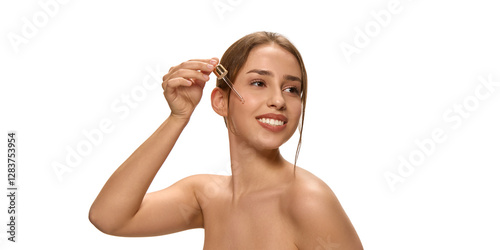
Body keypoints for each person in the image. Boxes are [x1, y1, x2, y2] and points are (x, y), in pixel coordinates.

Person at [89, 31, 363, 249]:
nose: (279, 100)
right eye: (258, 83)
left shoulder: (307, 201)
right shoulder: (206, 197)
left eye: (292, 89)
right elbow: (108, 218)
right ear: (221, 101)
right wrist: (178, 117)